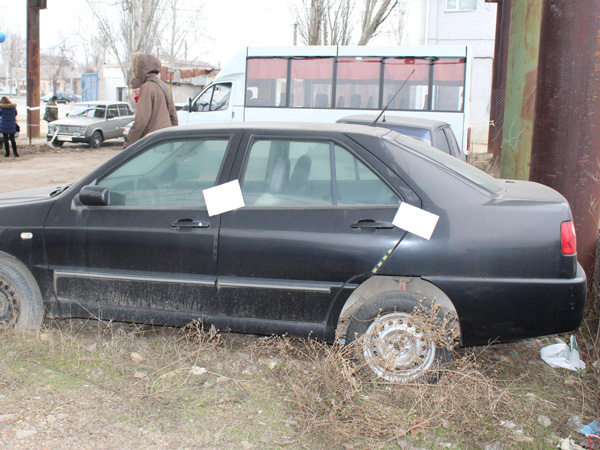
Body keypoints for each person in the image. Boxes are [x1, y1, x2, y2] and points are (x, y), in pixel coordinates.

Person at [124, 53, 178, 148]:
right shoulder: (165, 86)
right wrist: (172, 140)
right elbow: (174, 118)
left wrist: (128, 144)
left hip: (151, 143)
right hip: (165, 141)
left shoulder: (146, 87)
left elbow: (141, 121)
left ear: (141, 70)